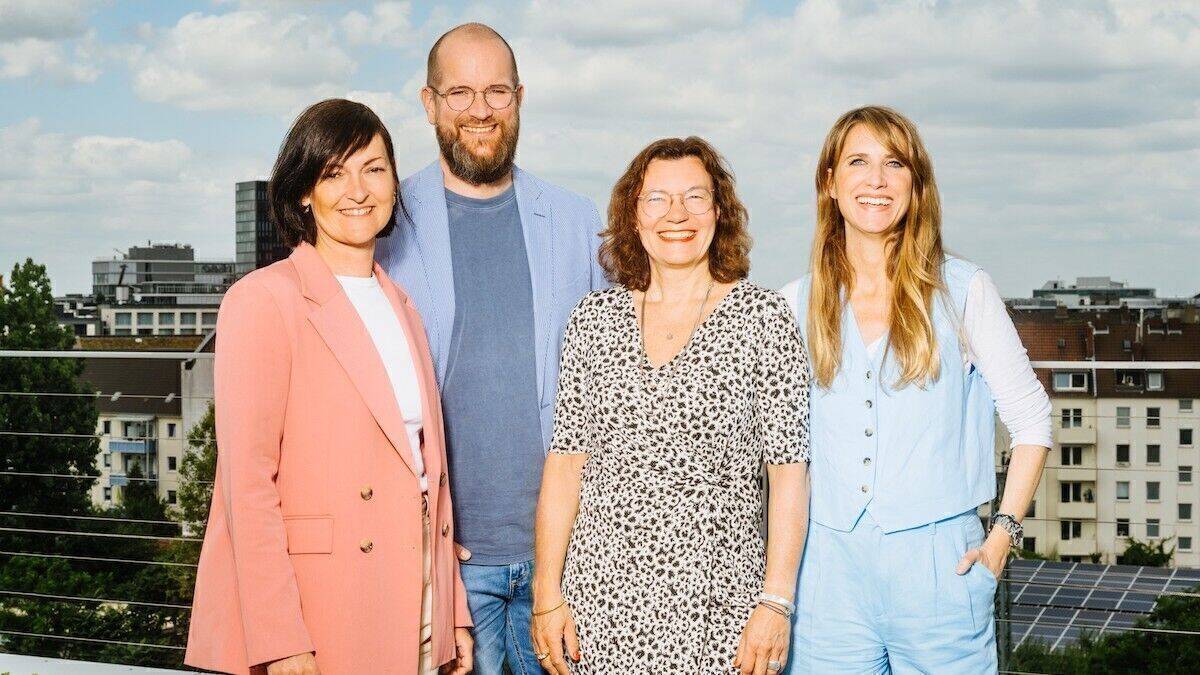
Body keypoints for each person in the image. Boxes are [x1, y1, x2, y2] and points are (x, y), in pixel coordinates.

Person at [185, 99, 472, 675]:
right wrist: (279, 638)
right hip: (321, 602)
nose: (357, 190)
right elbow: (247, 487)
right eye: (333, 173)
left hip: (415, 591)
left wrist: (453, 614)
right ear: (302, 193)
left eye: (373, 168)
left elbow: (427, 475)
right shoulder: (263, 301)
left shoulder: (402, 305)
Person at [780, 105, 1052, 673]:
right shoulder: (792, 303)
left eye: (894, 164)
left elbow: (1032, 421)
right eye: (858, 161)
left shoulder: (964, 290)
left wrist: (1002, 537)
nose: (876, 180)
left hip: (940, 569)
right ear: (829, 183)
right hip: (825, 574)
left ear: (916, 184)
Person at [375, 22, 606, 675]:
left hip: (562, 566)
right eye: (460, 92)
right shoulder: (387, 221)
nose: (480, 109)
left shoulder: (575, 219)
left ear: (521, 97)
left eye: (497, 92)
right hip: (446, 562)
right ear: (429, 103)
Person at [531, 136, 811, 675]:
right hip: (598, 609)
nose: (676, 215)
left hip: (720, 611)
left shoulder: (765, 319)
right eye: (657, 199)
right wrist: (547, 594)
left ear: (720, 212)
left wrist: (776, 603)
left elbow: (790, 477)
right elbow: (565, 466)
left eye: (695, 198)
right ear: (633, 216)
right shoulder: (593, 319)